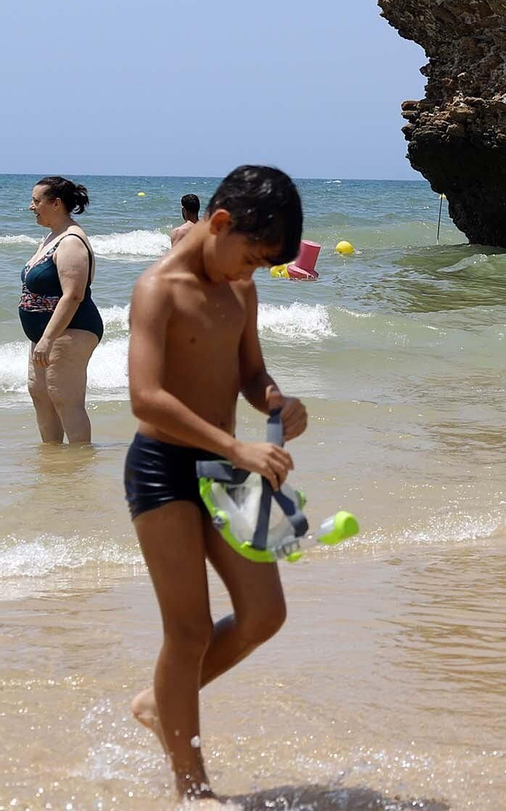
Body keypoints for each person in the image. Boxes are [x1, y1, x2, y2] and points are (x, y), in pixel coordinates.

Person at [123, 165, 308, 801]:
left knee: (265, 613)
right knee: (189, 630)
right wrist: (234, 446)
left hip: (231, 466)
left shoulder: (241, 290)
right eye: (251, 258)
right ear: (222, 223)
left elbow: (251, 372)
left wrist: (277, 401)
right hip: (163, 468)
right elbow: (145, 398)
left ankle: (160, 702)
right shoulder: (158, 289)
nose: (250, 273)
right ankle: (192, 788)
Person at [19, 177, 103, 444]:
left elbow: (74, 295)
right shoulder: (51, 237)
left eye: (36, 201)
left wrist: (47, 338)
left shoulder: (71, 241)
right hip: (46, 334)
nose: (31, 206)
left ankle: (80, 460)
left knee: (65, 398)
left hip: (71, 328)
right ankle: (53, 459)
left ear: (55, 204)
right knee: (40, 394)